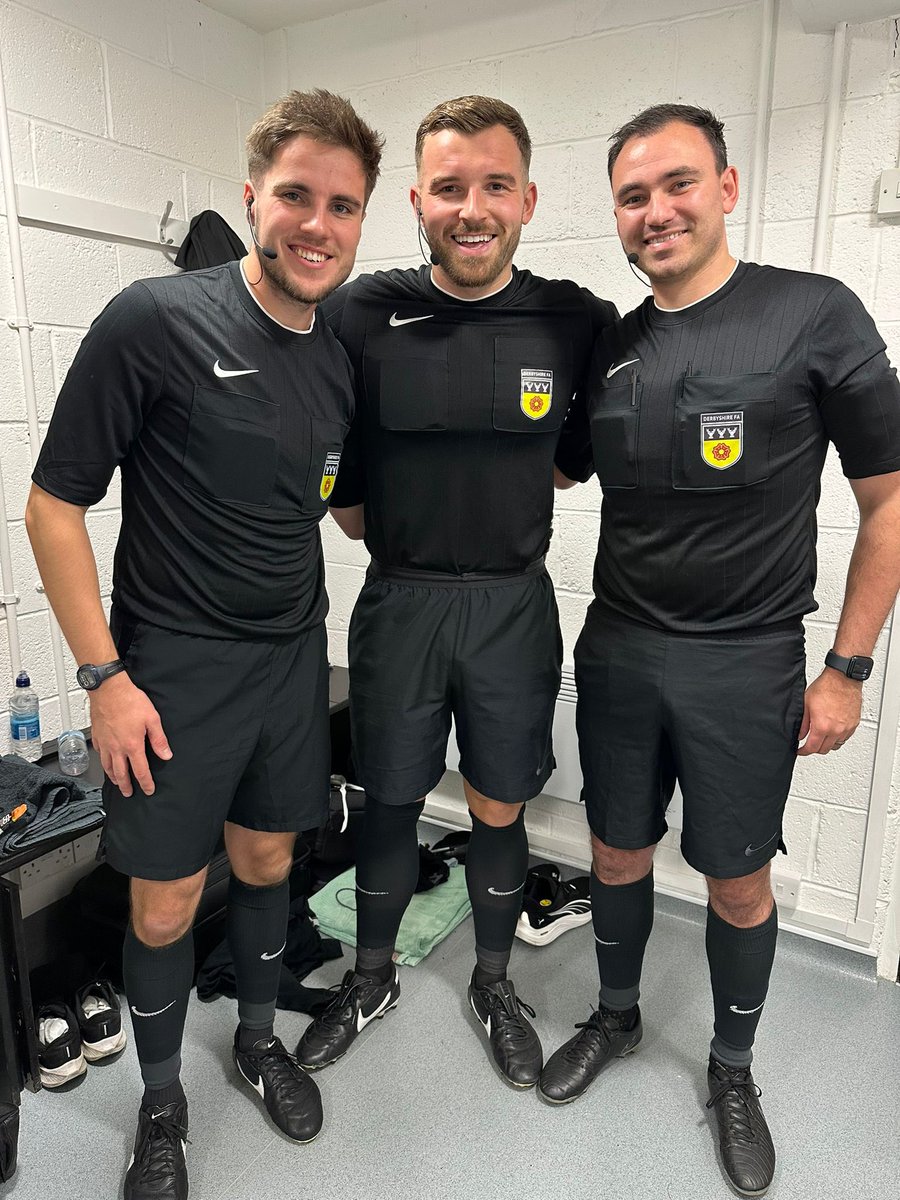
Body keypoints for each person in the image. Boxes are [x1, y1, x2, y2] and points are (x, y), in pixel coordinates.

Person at [25, 89, 383, 1200]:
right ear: (252, 197)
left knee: (272, 861)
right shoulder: (155, 319)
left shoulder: (339, 357)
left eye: (343, 205)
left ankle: (262, 1037)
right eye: (295, 196)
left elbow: (338, 505)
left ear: (362, 220)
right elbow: (50, 506)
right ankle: (163, 1104)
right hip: (171, 669)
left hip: (291, 658)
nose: (317, 224)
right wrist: (104, 677)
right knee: (167, 898)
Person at [542, 103, 900, 1196]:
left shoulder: (814, 314)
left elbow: (887, 505)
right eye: (634, 196)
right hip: (616, 649)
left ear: (728, 188)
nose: (657, 211)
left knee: (738, 881)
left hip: (746, 659)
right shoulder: (611, 343)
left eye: (678, 184)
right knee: (612, 852)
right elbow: (552, 471)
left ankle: (732, 1070)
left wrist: (844, 669)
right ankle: (615, 1018)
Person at [295, 95, 618, 1089]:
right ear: (416, 200)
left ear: (526, 199)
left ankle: (491, 980)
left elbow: (570, 464)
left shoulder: (576, 321)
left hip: (512, 607)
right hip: (400, 601)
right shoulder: (356, 311)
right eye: (448, 188)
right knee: (390, 801)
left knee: (496, 806)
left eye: (492, 186)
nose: (470, 208)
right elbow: (338, 485)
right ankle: (374, 975)